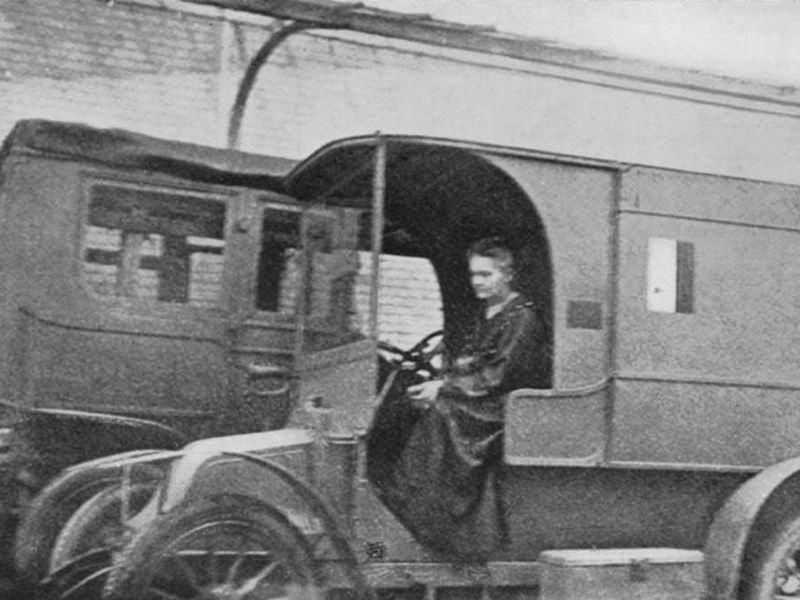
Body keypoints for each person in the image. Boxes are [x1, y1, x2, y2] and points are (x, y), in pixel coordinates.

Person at [367, 237, 550, 561]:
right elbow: (472, 363)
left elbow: (497, 375)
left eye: (486, 275)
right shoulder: (490, 313)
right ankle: (399, 501)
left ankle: (437, 521)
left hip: (500, 406)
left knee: (440, 412)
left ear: (507, 275)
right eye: (473, 275)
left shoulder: (522, 317)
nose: (477, 282)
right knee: (405, 406)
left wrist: (444, 388)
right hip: (477, 396)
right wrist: (442, 381)